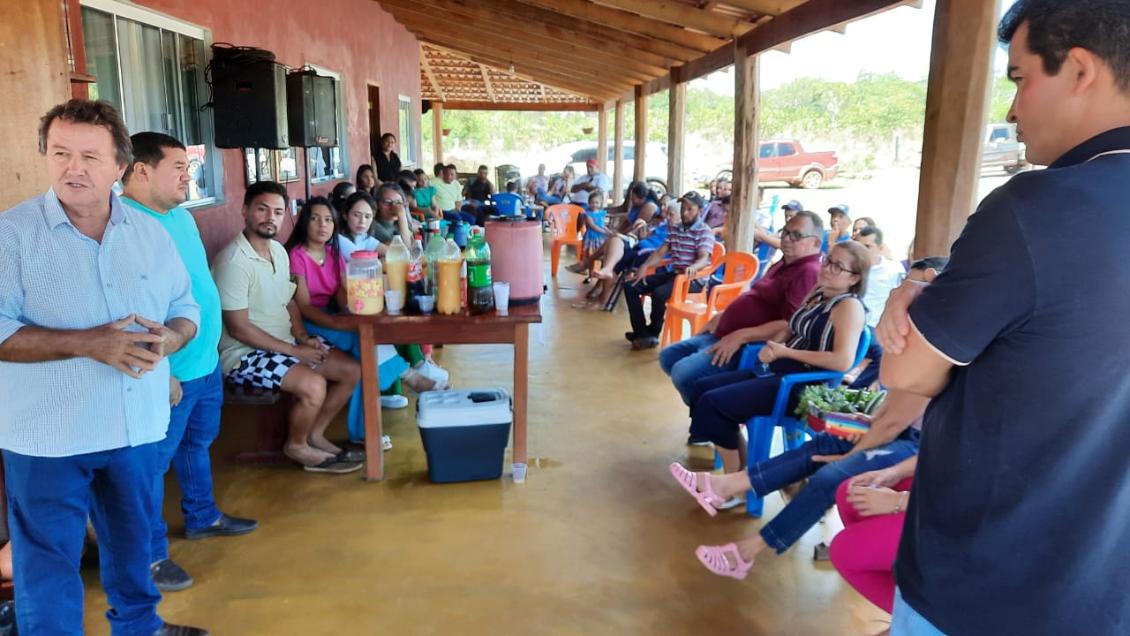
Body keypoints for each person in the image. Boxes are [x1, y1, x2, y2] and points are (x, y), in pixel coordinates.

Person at [877, 2, 1130, 633]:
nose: (1012, 110)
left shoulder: (1036, 209)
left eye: (1019, 79)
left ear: (1078, 69)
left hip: (986, 587)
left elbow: (904, 371)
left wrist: (909, 291)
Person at [0, 99, 206, 634]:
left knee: (133, 543)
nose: (74, 168)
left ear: (120, 166)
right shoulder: (12, 235)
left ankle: (141, 627)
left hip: (134, 426)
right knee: (46, 563)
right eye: (61, 153)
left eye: (90, 156)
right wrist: (90, 343)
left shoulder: (149, 234)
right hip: (47, 436)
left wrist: (171, 341)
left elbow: (186, 308)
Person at [121, 132, 257, 594]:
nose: (189, 175)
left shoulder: (178, 216)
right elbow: (130, 312)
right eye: (177, 166)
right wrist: (163, 373)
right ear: (140, 170)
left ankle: (202, 517)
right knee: (151, 467)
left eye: (188, 166)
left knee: (196, 446)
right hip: (169, 373)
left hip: (202, 361)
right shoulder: (125, 226)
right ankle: (150, 558)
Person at [669, 389, 926, 577]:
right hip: (900, 429)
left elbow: (894, 422)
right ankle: (724, 487)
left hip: (919, 445)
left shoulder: (935, 349)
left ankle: (747, 552)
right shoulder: (911, 342)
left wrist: (848, 456)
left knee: (831, 476)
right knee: (823, 442)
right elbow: (894, 407)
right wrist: (867, 421)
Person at [214, 181, 363, 474]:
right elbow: (239, 328)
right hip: (244, 355)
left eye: (278, 212)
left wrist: (305, 338)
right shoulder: (233, 262)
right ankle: (296, 445)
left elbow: (290, 303)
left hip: (283, 343)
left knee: (352, 371)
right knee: (313, 384)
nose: (271, 217)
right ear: (245, 211)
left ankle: (315, 434)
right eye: (262, 209)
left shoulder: (279, 253)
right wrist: (295, 350)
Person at [683, 241, 870, 474]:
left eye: (837, 267)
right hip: (780, 370)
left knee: (714, 403)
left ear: (854, 278)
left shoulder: (849, 307)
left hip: (802, 386)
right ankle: (743, 467)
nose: (827, 268)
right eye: (828, 260)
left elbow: (842, 361)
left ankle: (733, 482)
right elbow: (794, 328)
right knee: (701, 388)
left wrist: (785, 352)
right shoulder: (819, 293)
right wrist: (779, 342)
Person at [284, 197, 441, 447]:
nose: (322, 225)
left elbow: (339, 290)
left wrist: (351, 308)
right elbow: (303, 306)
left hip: (334, 313)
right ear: (305, 222)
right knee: (364, 340)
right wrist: (338, 324)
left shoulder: (332, 252)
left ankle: (365, 430)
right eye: (315, 219)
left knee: (367, 356)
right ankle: (407, 376)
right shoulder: (297, 256)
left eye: (327, 220)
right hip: (310, 321)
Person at [658, 212, 824, 407]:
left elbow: (789, 325)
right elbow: (756, 298)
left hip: (746, 344)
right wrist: (723, 316)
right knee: (669, 356)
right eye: (785, 232)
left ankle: (712, 417)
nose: (787, 239)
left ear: (815, 243)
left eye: (796, 235)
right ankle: (708, 409)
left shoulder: (808, 272)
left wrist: (741, 336)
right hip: (726, 332)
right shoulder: (786, 262)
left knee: (683, 373)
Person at [623, 192, 714, 350]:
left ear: (699, 210)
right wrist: (645, 266)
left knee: (659, 293)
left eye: (689, 209)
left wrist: (693, 267)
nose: (685, 213)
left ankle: (653, 332)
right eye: (683, 208)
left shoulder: (704, 231)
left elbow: (704, 258)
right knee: (631, 285)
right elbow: (661, 251)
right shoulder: (676, 229)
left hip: (692, 280)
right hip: (675, 275)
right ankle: (642, 333)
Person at [829, 454, 918, 614]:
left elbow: (972, 504)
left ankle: (921, 620)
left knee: (846, 550)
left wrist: (899, 501)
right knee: (849, 493)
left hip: (962, 522)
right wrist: (893, 472)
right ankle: (910, 583)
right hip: (944, 486)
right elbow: (943, 450)